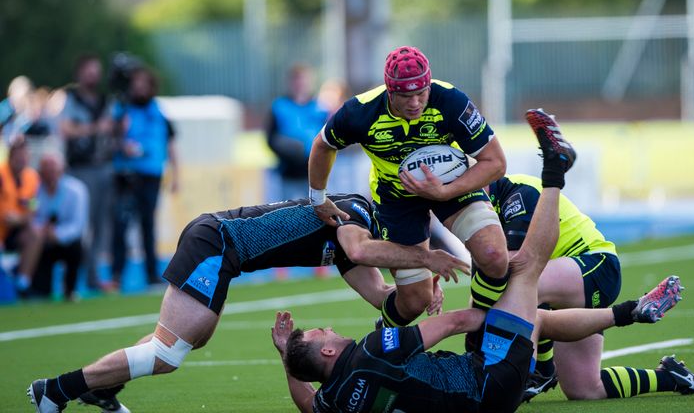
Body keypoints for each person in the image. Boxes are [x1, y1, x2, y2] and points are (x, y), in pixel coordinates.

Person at [270, 116, 694, 413]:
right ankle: (556, 171)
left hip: (588, 272)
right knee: (523, 277)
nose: (327, 329)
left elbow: (308, 404)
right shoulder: (370, 349)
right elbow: (461, 316)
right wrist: (495, 320)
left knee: (546, 336)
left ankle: (654, 356)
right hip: (493, 374)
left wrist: (289, 358)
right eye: (320, 334)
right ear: (328, 352)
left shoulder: (335, 403)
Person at [27, 193, 469, 413]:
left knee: (183, 342)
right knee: (170, 352)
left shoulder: (357, 237)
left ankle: (102, 387)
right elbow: (361, 251)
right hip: (215, 243)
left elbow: (381, 298)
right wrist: (423, 259)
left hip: (223, 254)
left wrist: (421, 288)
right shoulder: (355, 215)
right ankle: (58, 391)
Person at [309, 46, 510, 329]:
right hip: (395, 198)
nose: (415, 103)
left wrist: (444, 192)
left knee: (494, 255)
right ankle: (379, 344)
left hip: (451, 183)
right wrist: (318, 197)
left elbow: (495, 162)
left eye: (421, 93)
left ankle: (480, 332)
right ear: (390, 91)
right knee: (415, 300)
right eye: (406, 96)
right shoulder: (361, 111)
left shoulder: (451, 100)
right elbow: (323, 145)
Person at [487, 171, 694, 401]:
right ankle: (670, 377)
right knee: (585, 388)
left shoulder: (517, 193)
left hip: (593, 265)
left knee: (516, 290)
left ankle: (543, 370)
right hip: (559, 282)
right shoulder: (479, 208)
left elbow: (514, 271)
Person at [110, 67, 179, 289]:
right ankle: (117, 274)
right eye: (136, 82)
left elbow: (170, 144)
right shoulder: (122, 109)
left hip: (150, 174)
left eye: (143, 82)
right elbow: (111, 138)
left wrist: (176, 174)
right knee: (121, 223)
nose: (139, 87)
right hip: (127, 173)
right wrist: (122, 143)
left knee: (147, 224)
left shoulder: (159, 111)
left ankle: (151, 274)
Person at [58, 54, 114, 292]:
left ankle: (93, 275)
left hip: (104, 165)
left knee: (102, 224)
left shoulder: (105, 100)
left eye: (96, 70)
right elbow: (65, 128)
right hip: (82, 168)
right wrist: (93, 129)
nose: (93, 75)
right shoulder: (71, 98)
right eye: (89, 70)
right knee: (84, 224)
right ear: (80, 73)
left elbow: (113, 127)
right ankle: (76, 278)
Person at [26, 152, 88, 301]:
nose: (50, 174)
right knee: (36, 246)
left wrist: (57, 234)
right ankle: (38, 289)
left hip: (65, 241)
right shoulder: (35, 190)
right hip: (43, 240)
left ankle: (70, 289)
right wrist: (41, 230)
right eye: (46, 169)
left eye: (53, 169)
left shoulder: (77, 190)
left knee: (77, 248)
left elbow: (77, 225)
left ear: (61, 170)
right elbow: (31, 214)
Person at [267, 64, 330, 200]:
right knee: (287, 211)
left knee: (317, 211)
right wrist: (289, 150)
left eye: (303, 80)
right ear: (290, 82)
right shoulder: (280, 106)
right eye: (297, 80)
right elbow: (270, 139)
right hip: (289, 171)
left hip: (317, 172)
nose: (300, 84)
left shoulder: (320, 107)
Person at [0, 138, 41, 293]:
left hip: (16, 228)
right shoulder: (1, 174)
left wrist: (20, 219)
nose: (22, 160)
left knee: (35, 234)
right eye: (18, 156)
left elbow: (33, 207)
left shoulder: (32, 177)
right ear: (11, 156)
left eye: (24, 156)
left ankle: (23, 282)